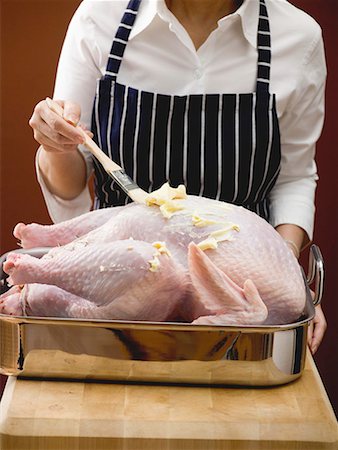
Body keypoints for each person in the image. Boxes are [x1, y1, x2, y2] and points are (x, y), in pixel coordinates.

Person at [29, 0, 327, 352]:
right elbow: (71, 179)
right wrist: (55, 146)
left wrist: (281, 274)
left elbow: (294, 177)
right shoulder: (100, 17)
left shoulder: (297, 36)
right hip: (120, 274)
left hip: (234, 288)